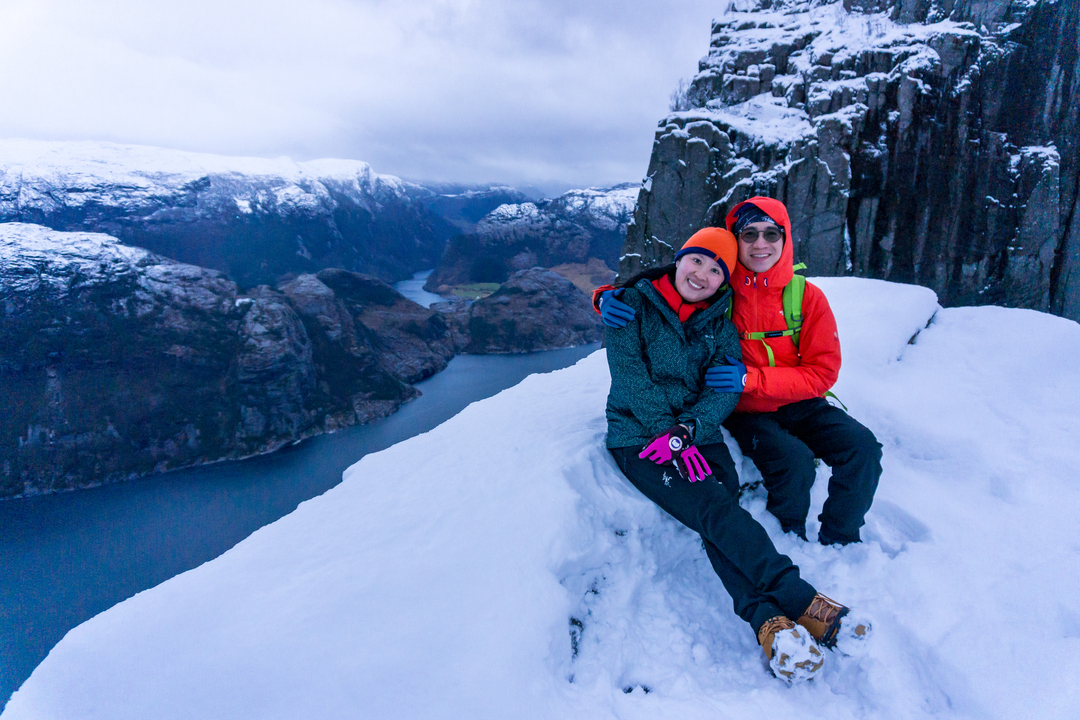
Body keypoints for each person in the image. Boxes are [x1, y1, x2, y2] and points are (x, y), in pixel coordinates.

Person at [603, 227, 868, 685]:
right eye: (697, 261)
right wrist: (669, 432)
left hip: (696, 434)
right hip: (640, 436)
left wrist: (690, 429)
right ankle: (800, 598)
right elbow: (630, 380)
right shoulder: (630, 305)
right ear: (679, 259)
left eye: (716, 270)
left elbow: (722, 390)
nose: (702, 275)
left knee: (718, 510)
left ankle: (769, 624)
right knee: (714, 509)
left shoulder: (719, 324)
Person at [597, 198, 882, 546]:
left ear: (785, 239)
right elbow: (667, 283)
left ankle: (841, 537)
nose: (761, 243)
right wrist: (609, 296)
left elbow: (823, 372)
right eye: (749, 234)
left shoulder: (806, 297)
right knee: (794, 461)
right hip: (746, 409)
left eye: (771, 234)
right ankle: (789, 532)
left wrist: (752, 379)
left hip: (800, 401)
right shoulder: (720, 290)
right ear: (737, 242)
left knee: (863, 449)